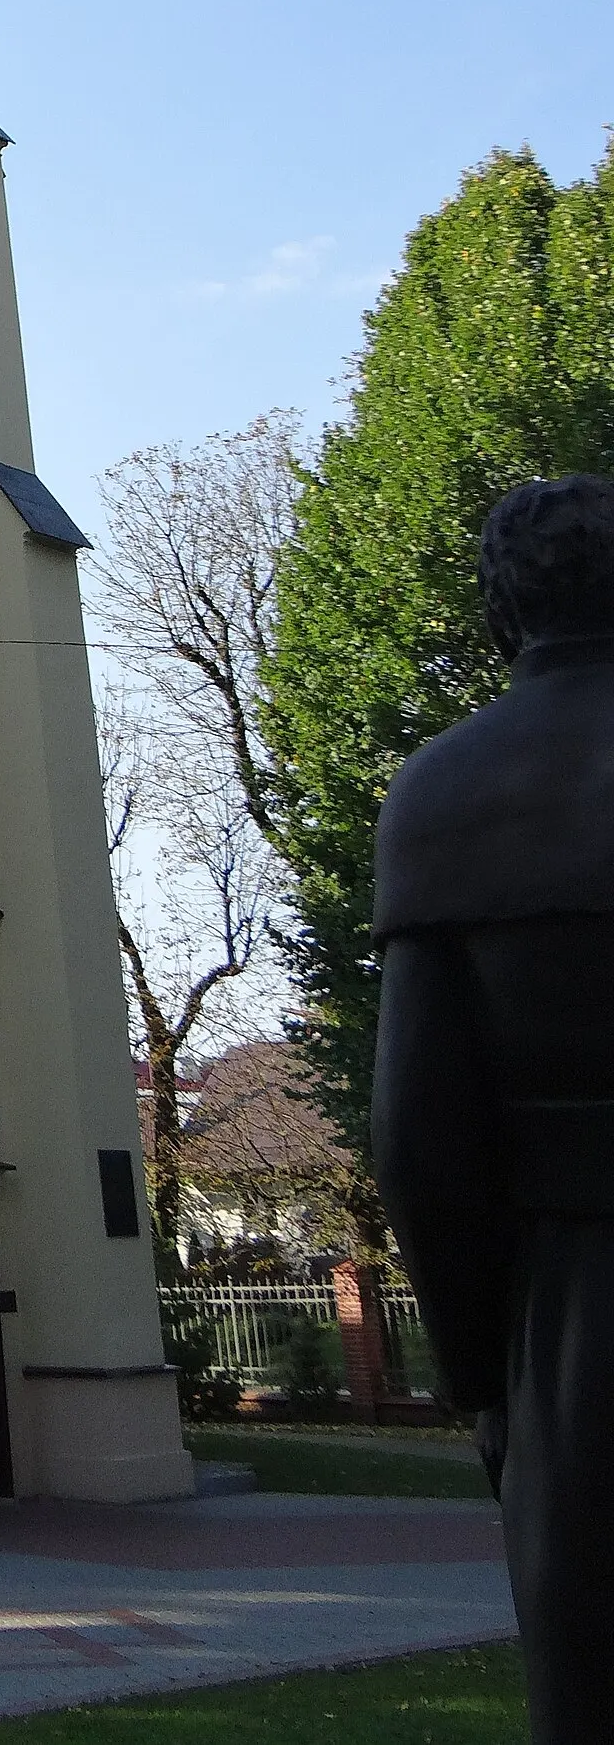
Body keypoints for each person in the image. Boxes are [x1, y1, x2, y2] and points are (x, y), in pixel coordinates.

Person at [372, 473, 614, 1745]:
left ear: (500, 603)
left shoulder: (447, 792)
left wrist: (484, 1385)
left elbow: (417, 1145)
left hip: (579, 1323)